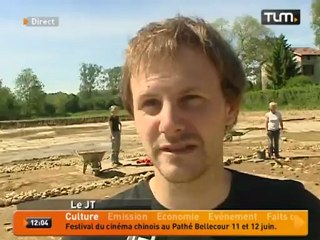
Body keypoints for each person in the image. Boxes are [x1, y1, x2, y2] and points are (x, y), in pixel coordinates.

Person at [63, 16, 320, 240]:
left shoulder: (298, 214)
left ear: (230, 108)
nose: (169, 123)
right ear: (133, 116)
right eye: (151, 103)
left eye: (191, 99)